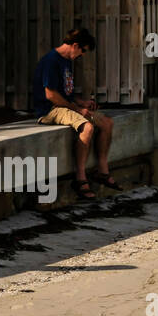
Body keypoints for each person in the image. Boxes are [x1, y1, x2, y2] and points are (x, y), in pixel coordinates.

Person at [32, 28, 121, 200]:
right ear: (75, 45)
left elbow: (66, 93)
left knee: (107, 123)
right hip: (50, 110)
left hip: (65, 106)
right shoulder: (51, 61)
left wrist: (81, 102)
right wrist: (78, 110)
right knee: (87, 128)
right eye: (83, 50)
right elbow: (51, 95)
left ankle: (102, 171)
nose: (83, 55)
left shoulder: (66, 61)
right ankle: (80, 177)